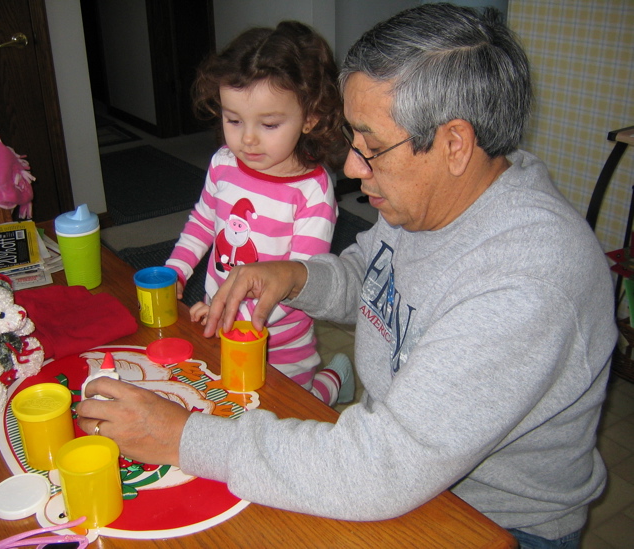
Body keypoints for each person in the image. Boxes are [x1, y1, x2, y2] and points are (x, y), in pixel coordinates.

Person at [78, 4, 617, 547]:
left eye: (372, 146)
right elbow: (371, 273)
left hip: (489, 521)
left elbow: (381, 466)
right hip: (399, 465)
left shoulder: (527, 283)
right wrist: (293, 276)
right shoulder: (435, 197)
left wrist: (181, 437)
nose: (354, 169)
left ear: (455, 143)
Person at [164, 21, 353, 406]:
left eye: (268, 124)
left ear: (311, 117)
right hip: (224, 317)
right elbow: (202, 222)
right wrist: (175, 270)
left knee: (291, 409)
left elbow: (301, 277)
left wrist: (239, 318)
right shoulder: (223, 164)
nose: (247, 138)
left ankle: (334, 378)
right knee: (230, 398)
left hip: (282, 341)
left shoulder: (312, 190)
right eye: (233, 120)